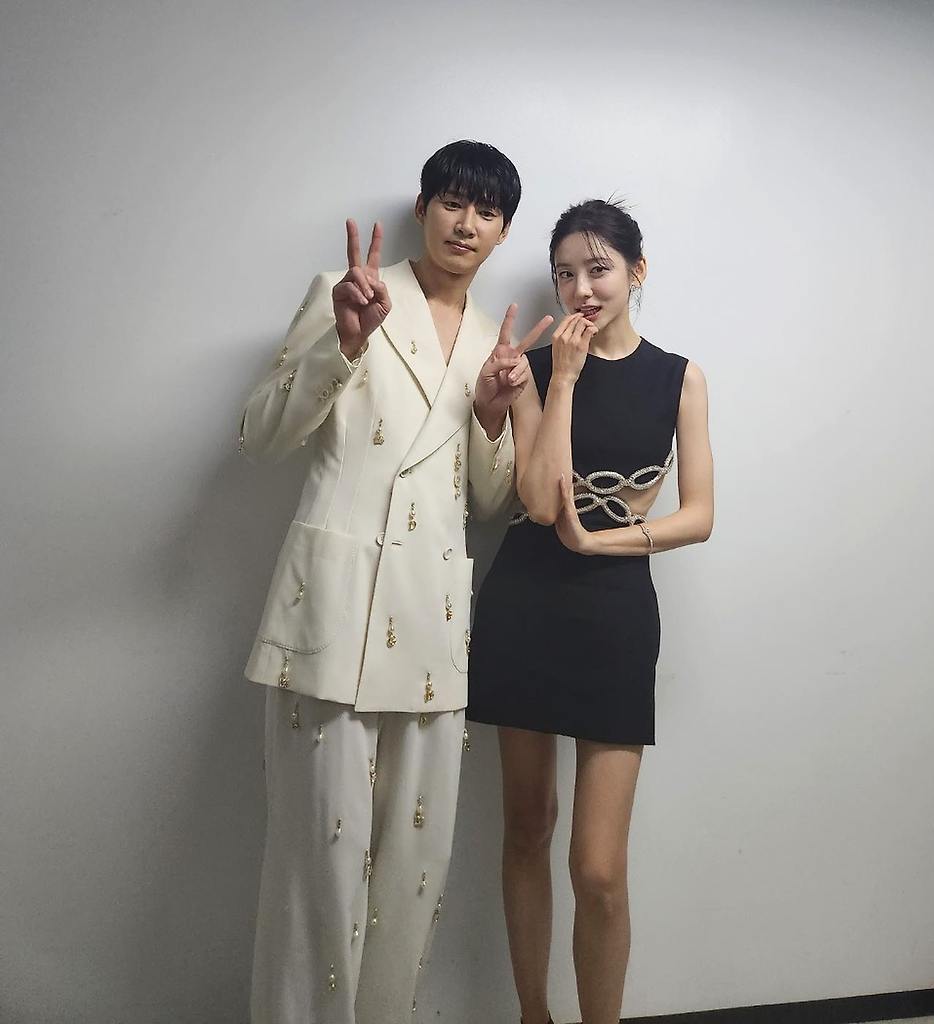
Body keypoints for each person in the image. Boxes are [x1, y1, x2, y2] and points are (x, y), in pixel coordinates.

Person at [239, 139, 551, 1024]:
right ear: (422, 208)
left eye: (486, 212)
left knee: (417, 871)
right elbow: (259, 434)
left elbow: (485, 503)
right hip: (332, 615)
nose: (466, 223)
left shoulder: (495, 342)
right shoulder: (351, 294)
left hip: (431, 627)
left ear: (503, 232)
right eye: (452, 202)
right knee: (318, 869)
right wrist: (343, 344)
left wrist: (491, 416)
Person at [467, 199, 715, 1024]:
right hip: (525, 605)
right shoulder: (536, 368)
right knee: (527, 827)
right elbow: (541, 503)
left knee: (598, 869)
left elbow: (699, 515)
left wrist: (600, 542)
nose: (581, 288)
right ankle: (533, 1016)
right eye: (565, 273)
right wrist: (564, 378)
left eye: (599, 269)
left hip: (614, 613)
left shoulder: (679, 377)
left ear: (636, 272)